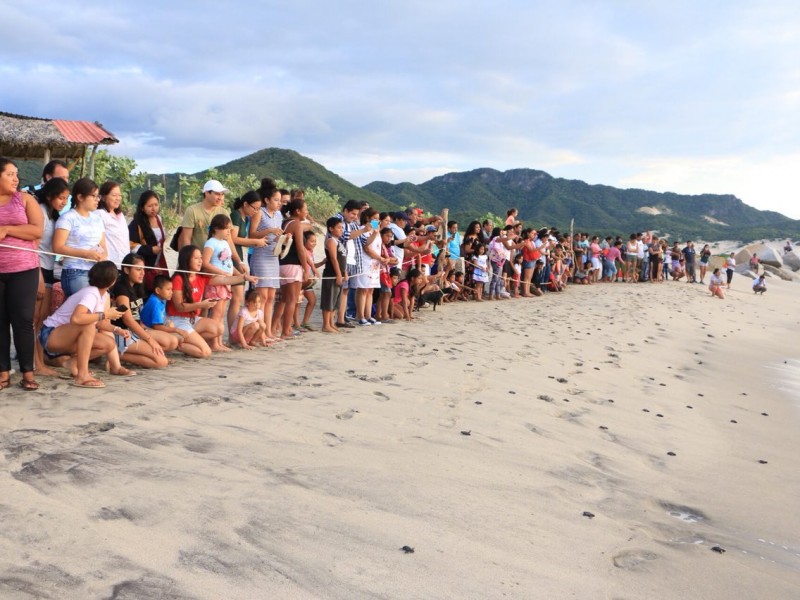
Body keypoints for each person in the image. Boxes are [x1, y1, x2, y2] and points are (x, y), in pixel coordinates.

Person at [39, 261, 135, 388]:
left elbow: (99, 323)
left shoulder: (102, 294)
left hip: (63, 335)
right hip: (50, 334)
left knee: (108, 343)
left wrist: (117, 329)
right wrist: (106, 315)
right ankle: (82, 375)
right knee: (88, 326)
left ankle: (73, 363)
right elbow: (77, 319)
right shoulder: (91, 293)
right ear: (112, 281)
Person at [0, 158, 44, 390]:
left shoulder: (25, 199)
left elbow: (37, 230)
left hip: (23, 270)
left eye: (17, 174)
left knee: (24, 321)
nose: (16, 178)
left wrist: (6, 229)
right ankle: (3, 372)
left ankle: (28, 372)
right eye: (9, 174)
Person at [33, 177, 71, 377]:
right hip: (36, 266)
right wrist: (38, 274)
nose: (64, 202)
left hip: (48, 266)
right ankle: (35, 362)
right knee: (35, 318)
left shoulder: (53, 214)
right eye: (61, 198)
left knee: (43, 317)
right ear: (49, 195)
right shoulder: (39, 210)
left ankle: (39, 361)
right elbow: (33, 243)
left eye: (66, 198)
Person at [111, 254, 173, 368]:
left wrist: (146, 331)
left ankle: (131, 354)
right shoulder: (121, 289)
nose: (142, 273)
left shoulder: (136, 286)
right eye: (138, 269)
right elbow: (128, 320)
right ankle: (116, 355)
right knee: (161, 362)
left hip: (135, 330)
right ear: (126, 270)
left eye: (143, 269)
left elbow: (137, 316)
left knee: (172, 341)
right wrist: (150, 340)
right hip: (122, 333)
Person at [52, 178, 107, 297]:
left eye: (98, 196)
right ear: (80, 197)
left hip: (96, 272)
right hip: (75, 271)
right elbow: (57, 247)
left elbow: (103, 246)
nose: (97, 200)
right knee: (81, 311)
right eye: (93, 196)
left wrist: (102, 258)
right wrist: (86, 254)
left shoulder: (97, 219)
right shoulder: (67, 218)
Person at [249, 181, 284, 340]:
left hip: (273, 255)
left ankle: (268, 331)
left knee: (271, 296)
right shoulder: (260, 212)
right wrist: (269, 230)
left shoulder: (279, 215)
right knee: (262, 296)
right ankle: (259, 332)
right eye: (276, 200)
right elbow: (252, 234)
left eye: (280, 200)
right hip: (261, 254)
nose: (279, 203)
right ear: (267, 200)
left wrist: (283, 238)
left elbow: (277, 235)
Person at [229, 191, 267, 331]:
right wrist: (255, 241)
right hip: (233, 257)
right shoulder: (236, 216)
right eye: (254, 208)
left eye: (258, 209)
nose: (255, 211)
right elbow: (233, 239)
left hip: (238, 256)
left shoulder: (244, 218)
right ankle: (234, 332)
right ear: (245, 204)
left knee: (237, 298)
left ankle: (235, 332)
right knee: (236, 298)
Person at [202, 214, 238, 352]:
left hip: (226, 281)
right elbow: (205, 263)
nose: (229, 231)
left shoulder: (224, 243)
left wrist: (239, 275)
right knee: (216, 313)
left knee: (222, 312)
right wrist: (221, 273)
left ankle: (219, 341)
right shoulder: (211, 242)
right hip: (216, 281)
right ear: (216, 228)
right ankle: (214, 343)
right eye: (226, 228)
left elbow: (228, 263)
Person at [277, 199, 310, 339]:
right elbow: (301, 249)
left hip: (282, 264)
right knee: (292, 299)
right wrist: (306, 268)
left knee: (283, 299)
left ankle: (275, 327)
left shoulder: (285, 222)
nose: (307, 212)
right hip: (292, 264)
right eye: (305, 209)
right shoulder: (295, 224)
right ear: (297, 211)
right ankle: (286, 330)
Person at [128, 190, 169, 291]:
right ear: (142, 208)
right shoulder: (136, 224)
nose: (154, 208)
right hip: (146, 264)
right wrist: (150, 249)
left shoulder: (159, 219)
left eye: (156, 205)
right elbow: (131, 245)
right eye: (150, 206)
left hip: (161, 261)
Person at [321, 216, 347, 333]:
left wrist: (344, 272)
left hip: (339, 273)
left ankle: (331, 323)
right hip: (331, 274)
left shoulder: (339, 241)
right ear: (331, 229)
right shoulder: (331, 241)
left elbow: (343, 259)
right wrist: (338, 274)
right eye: (338, 228)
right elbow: (333, 258)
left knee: (336, 300)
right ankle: (326, 324)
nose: (341, 230)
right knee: (329, 299)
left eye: (342, 227)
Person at [96, 181, 129, 268]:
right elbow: (95, 240)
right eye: (114, 195)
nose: (118, 198)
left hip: (124, 263)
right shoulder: (100, 214)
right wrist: (103, 258)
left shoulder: (120, 215)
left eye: (119, 195)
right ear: (103, 197)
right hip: (109, 265)